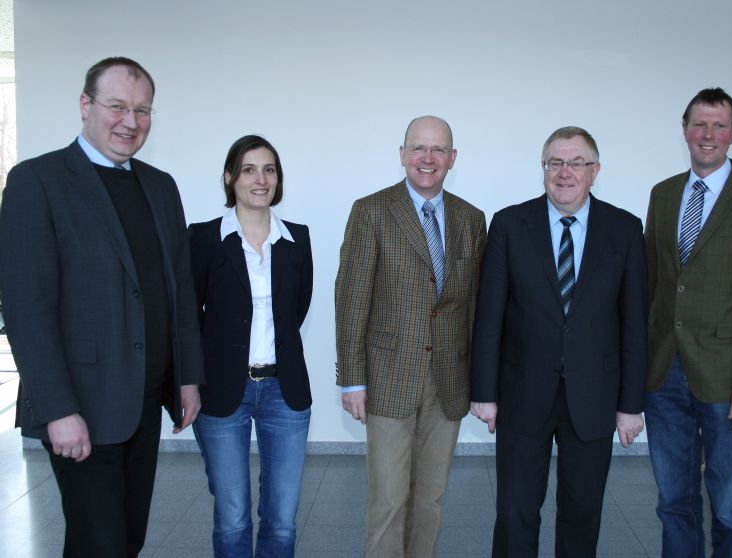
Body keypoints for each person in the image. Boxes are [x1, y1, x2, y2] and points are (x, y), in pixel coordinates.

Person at [0, 57, 203, 556]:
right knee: (100, 543)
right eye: (117, 106)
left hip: (144, 400)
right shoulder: (37, 181)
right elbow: (26, 308)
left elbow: (177, 288)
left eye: (142, 110)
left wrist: (187, 377)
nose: (130, 122)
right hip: (81, 407)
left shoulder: (160, 186)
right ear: (86, 105)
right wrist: (58, 409)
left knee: (128, 537)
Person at [471, 126, 648, 557]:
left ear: (595, 171)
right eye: (555, 163)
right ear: (543, 169)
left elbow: (634, 323)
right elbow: (489, 315)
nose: (565, 173)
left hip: (594, 397)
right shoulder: (511, 224)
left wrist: (631, 404)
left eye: (576, 163)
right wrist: (484, 393)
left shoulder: (624, 229)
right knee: (515, 514)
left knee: (581, 514)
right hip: (522, 393)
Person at [644, 88, 732, 557]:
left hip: (729, 381)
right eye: (699, 124)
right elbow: (652, 287)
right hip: (664, 374)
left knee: (729, 508)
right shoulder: (664, 194)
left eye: (719, 126)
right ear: (684, 129)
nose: (708, 135)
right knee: (673, 502)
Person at [335, 115, 486, 557]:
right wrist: (352, 379)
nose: (428, 158)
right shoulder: (372, 211)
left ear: (452, 158)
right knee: (387, 501)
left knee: (431, 500)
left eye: (438, 150)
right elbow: (351, 299)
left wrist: (482, 382)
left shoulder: (471, 219)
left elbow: (475, 306)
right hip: (388, 379)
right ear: (402, 155)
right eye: (418, 148)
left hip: (448, 383)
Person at [188, 135, 313, 557]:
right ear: (229, 178)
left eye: (269, 170)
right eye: (248, 169)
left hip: (285, 392)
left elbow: (295, 311)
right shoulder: (203, 239)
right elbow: (189, 317)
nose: (260, 180)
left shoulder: (297, 239)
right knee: (233, 516)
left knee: (281, 521)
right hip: (224, 392)